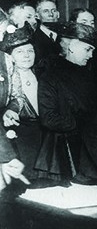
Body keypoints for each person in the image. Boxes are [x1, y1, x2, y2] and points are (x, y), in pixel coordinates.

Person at [36, 22, 97, 181]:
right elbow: (48, 118)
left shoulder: (89, 75)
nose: (91, 55)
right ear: (72, 45)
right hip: (61, 152)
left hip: (89, 148)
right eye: (88, 49)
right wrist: (82, 121)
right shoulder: (50, 75)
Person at [0, 22, 42, 179]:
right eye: (20, 51)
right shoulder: (7, 82)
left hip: (42, 144)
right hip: (17, 144)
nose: (27, 55)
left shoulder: (44, 76)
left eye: (30, 51)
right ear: (9, 57)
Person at [33, 0, 61, 66]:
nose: (51, 14)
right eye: (45, 11)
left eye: (53, 10)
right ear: (37, 16)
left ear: (58, 14)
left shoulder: (64, 35)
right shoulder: (33, 38)